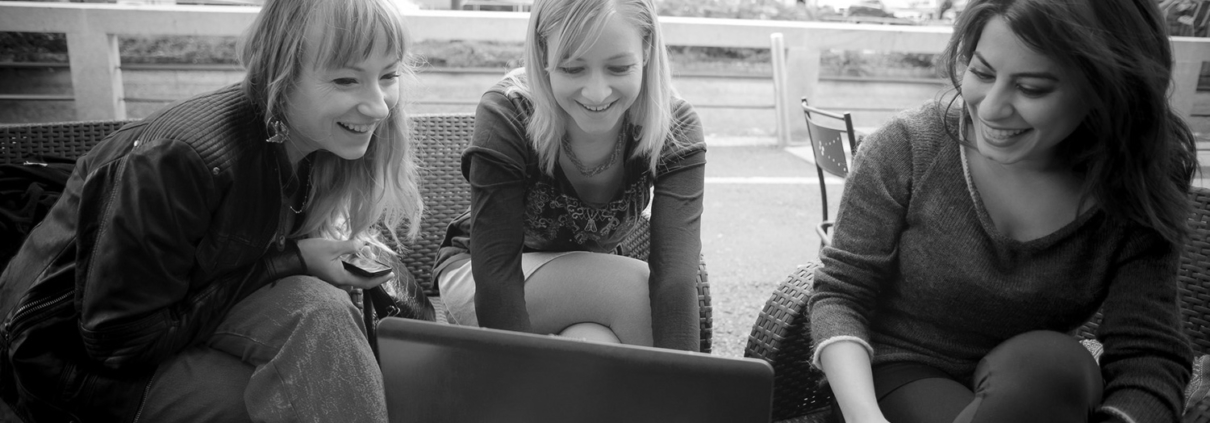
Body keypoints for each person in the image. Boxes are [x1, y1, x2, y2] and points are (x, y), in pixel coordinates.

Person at [0, 0, 423, 420]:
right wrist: (291, 261)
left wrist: (301, 262)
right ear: (279, 73)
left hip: (184, 316)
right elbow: (121, 342)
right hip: (64, 361)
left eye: (388, 75)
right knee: (291, 390)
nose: (380, 106)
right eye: (346, 80)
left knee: (322, 316)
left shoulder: (313, 143)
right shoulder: (178, 161)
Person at [808, 0, 1197, 421]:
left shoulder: (1135, 185)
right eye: (982, 73)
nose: (991, 108)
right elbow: (841, 294)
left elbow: (1149, 355)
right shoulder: (908, 146)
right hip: (891, 379)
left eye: (1031, 88)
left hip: (1035, 391)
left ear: (1108, 90)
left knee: (1053, 363)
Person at [432, 0, 706, 351]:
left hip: (590, 284)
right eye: (573, 69)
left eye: (619, 68)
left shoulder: (674, 126)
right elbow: (495, 276)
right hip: (479, 277)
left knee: (594, 344)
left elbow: (676, 277)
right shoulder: (509, 111)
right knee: (634, 292)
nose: (597, 92)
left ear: (647, 48)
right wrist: (513, 371)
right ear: (542, 53)